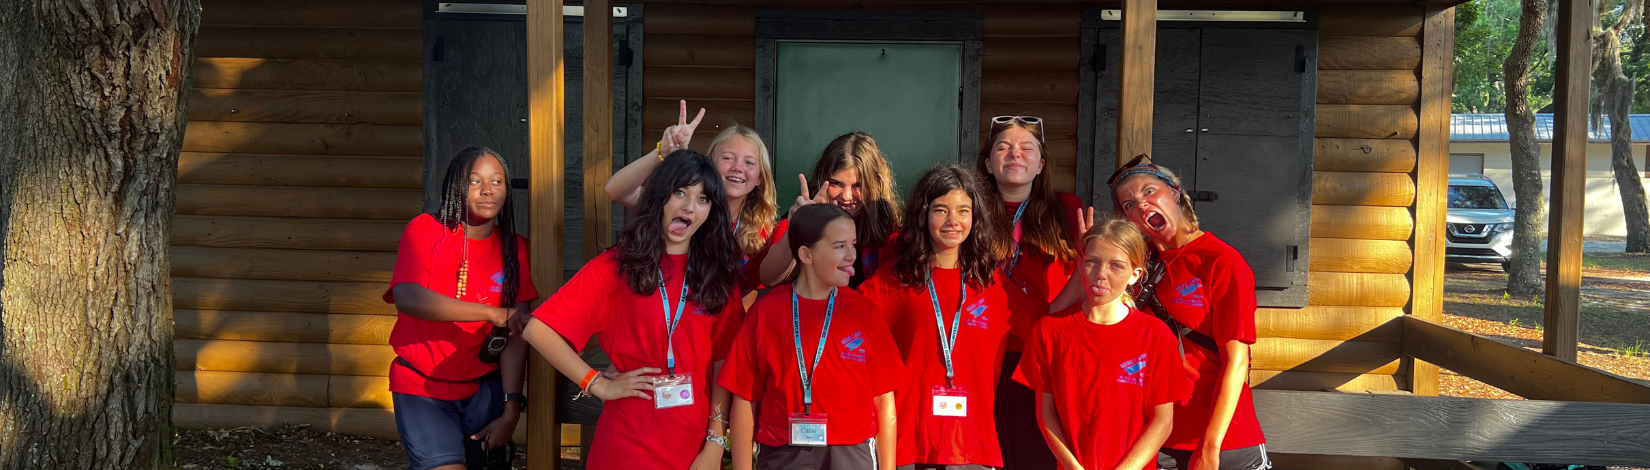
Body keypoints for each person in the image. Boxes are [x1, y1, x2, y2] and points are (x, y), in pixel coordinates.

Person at [522, 150, 746, 470]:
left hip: (693, 453)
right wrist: (596, 382)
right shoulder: (618, 266)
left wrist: (714, 443)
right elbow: (538, 328)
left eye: (702, 199)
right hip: (624, 449)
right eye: (679, 192)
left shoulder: (718, 276)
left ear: (711, 211)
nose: (688, 206)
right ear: (658, 197)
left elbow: (725, 365)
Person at [1107, 155, 1270, 470]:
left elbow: (1237, 361)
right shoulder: (1137, 268)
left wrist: (1211, 448)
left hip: (1223, 442)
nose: (1140, 205)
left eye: (1149, 191)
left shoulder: (1221, 261)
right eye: (1128, 204)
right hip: (1156, 438)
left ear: (1175, 192)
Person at [383, 146, 538, 470]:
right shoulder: (425, 230)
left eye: (497, 181)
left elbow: (517, 335)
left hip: (485, 391)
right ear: (456, 185)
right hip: (422, 388)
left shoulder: (516, 248)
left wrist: (511, 409)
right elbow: (408, 297)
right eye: (475, 181)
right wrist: (492, 312)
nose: (487, 190)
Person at [720, 203, 904, 470]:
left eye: (853, 244)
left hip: (851, 453)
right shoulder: (766, 313)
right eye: (839, 246)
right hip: (783, 451)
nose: (852, 255)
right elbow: (745, 397)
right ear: (806, 254)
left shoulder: (864, 312)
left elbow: (883, 400)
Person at [857, 165, 1011, 470]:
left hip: (972, 447)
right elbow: (842, 322)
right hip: (907, 445)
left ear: (975, 216)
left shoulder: (992, 285)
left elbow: (1051, 319)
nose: (953, 221)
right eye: (941, 210)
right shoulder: (895, 279)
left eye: (963, 210)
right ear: (923, 215)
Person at [1014, 217, 1189, 470]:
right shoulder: (1049, 330)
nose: (1100, 275)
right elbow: (1045, 414)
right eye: (1092, 262)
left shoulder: (1156, 335)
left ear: (1135, 274)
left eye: (1116, 266)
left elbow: (1162, 421)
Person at [975, 115, 1086, 470]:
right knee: (988, 452)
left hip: (1042, 355)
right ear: (988, 163)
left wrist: (1049, 318)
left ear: (1041, 164)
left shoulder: (1068, 210)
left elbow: (1086, 277)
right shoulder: (967, 212)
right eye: (1003, 147)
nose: (1014, 154)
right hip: (980, 354)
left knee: (1037, 453)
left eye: (1027, 148)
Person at [605, 100, 779, 295]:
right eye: (728, 158)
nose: (738, 167)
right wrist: (661, 152)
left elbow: (751, 291)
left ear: (760, 179)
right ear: (710, 162)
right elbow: (616, 190)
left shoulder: (761, 229)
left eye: (749, 162)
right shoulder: (681, 207)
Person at [760, 132, 903, 289]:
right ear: (823, 180)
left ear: (875, 186)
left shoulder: (888, 229)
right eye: (837, 184)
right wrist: (798, 227)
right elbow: (768, 279)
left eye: (858, 185)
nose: (847, 196)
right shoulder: (801, 214)